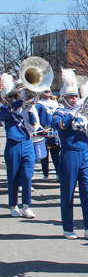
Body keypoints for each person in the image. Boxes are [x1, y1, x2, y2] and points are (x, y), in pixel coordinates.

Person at [51, 69, 88, 240]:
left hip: (85, 153)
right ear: (64, 98)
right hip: (69, 154)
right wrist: (74, 112)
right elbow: (59, 125)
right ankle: (68, 227)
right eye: (71, 97)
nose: (74, 99)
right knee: (68, 192)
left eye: (75, 96)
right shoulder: (60, 111)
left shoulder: (82, 111)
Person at [0, 73, 37, 218]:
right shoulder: (4, 110)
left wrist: (30, 109)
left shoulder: (23, 108)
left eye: (15, 96)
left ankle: (26, 206)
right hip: (13, 144)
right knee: (13, 177)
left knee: (28, 176)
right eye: (11, 97)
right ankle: (13, 205)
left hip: (27, 143)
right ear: (6, 99)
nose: (14, 99)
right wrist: (19, 102)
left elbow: (33, 125)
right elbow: (4, 117)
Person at [36, 88, 60, 181]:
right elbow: (36, 118)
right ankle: (45, 174)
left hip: (54, 131)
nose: (48, 93)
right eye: (45, 91)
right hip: (44, 130)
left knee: (56, 154)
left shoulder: (55, 103)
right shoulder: (39, 104)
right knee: (44, 154)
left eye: (48, 91)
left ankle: (58, 173)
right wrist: (40, 128)